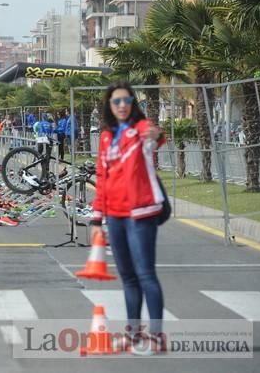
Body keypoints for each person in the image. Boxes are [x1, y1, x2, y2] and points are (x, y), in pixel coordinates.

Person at [90, 80, 166, 355]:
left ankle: (156, 336)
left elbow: (156, 135)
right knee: (128, 278)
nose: (122, 105)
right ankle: (133, 334)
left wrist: (155, 135)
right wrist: (97, 219)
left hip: (141, 213)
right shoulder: (107, 136)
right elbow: (102, 176)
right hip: (115, 216)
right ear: (109, 106)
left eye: (127, 100)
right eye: (116, 101)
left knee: (146, 274)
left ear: (133, 104)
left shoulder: (140, 129)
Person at [33, 114, 54, 179]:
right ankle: (47, 166)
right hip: (49, 139)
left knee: (39, 151)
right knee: (48, 154)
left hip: (42, 138)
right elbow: (52, 131)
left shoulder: (40, 123)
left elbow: (40, 131)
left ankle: (36, 160)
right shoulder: (49, 124)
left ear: (42, 117)